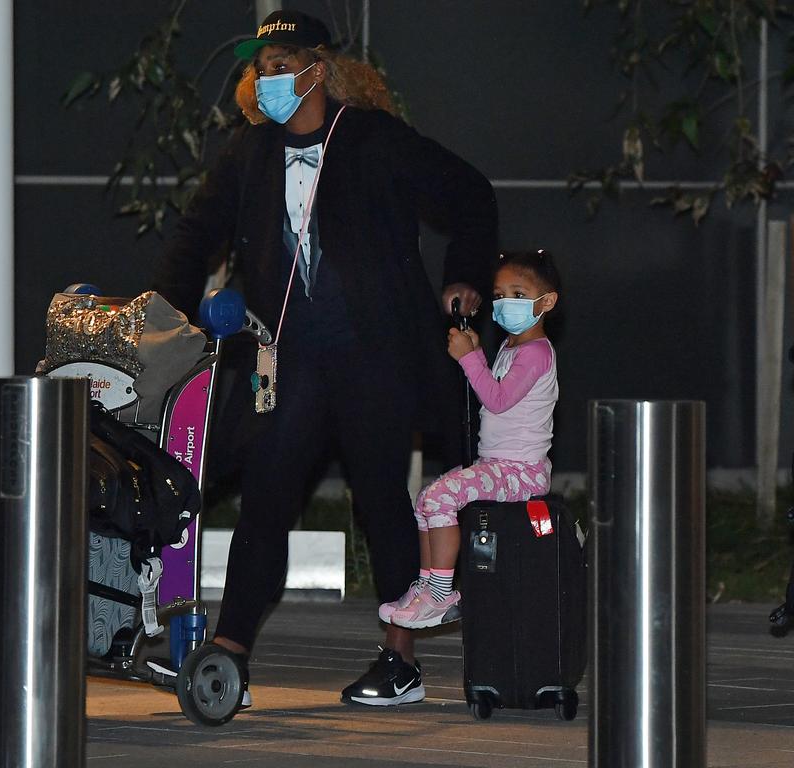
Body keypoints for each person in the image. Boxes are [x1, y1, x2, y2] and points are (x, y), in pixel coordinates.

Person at [151, 9, 498, 707]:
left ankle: (399, 661)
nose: (268, 79)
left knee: (380, 501)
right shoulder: (249, 154)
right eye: (261, 68)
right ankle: (230, 655)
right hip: (294, 360)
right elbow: (197, 236)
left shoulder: (371, 139)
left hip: (376, 356)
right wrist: (159, 315)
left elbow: (470, 194)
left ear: (318, 68)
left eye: (282, 65)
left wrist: (464, 275)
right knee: (266, 497)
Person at [382, 251, 560, 630]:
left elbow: (496, 400)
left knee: (442, 497)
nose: (505, 302)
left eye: (517, 293)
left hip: (521, 472)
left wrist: (471, 357)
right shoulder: (513, 347)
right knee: (427, 499)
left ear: (546, 302)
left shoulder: (536, 353)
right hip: (497, 465)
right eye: (499, 294)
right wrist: (476, 354)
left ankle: (443, 592)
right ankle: (428, 585)